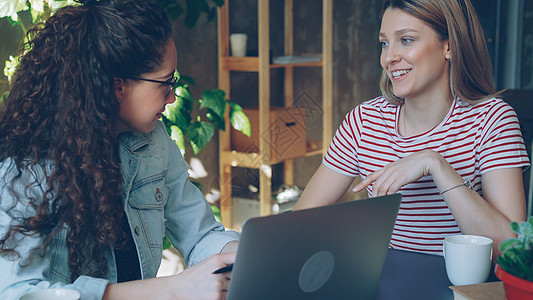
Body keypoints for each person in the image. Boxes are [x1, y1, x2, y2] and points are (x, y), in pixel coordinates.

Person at [0, 0, 238, 299]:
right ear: (117, 86)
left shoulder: (154, 142)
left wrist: (240, 254)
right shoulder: (25, 167)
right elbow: (18, 293)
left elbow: (200, 234)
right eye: (166, 83)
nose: (173, 97)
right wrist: (174, 289)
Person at [294, 0, 530, 257]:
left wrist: (436, 165)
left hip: (460, 291)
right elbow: (300, 221)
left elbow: (511, 251)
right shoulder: (364, 121)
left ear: (448, 46)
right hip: (385, 283)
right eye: (384, 43)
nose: (389, 57)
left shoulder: (492, 120)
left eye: (405, 40)